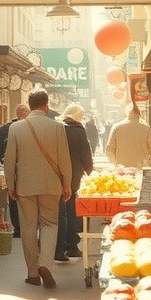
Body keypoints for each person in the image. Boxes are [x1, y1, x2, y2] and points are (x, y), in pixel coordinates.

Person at [4, 88, 72, 289]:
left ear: (29, 104)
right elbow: (64, 160)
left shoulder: (16, 128)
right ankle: (45, 264)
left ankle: (33, 273)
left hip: (25, 186)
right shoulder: (57, 127)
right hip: (51, 185)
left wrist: (10, 184)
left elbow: (9, 160)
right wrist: (66, 184)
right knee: (50, 224)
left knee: (28, 227)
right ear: (46, 105)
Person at [55, 103, 93, 262]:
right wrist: (90, 171)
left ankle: (58, 246)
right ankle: (72, 245)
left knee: (58, 211)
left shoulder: (56, 128)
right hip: (73, 176)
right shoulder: (78, 131)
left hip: (56, 174)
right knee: (71, 210)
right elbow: (86, 154)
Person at [0, 103, 30, 237]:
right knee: (28, 199)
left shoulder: (4, 129)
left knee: (13, 198)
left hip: (11, 169)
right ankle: (28, 226)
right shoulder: (33, 128)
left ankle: (18, 228)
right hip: (29, 170)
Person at [105, 104, 151, 168]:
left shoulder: (116, 127)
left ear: (127, 114)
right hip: (141, 167)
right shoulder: (145, 128)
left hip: (122, 169)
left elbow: (109, 150)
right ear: (139, 114)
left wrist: (116, 164)